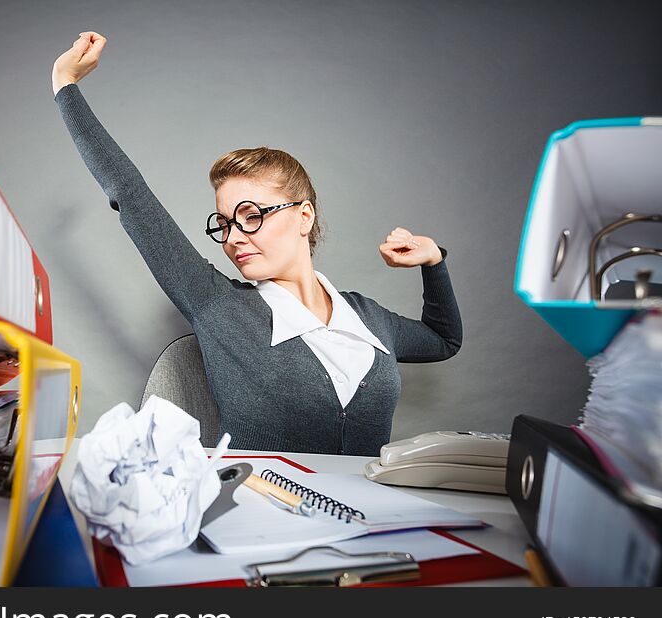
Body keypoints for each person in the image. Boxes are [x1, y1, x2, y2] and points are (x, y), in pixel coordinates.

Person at [51, 32, 462, 456]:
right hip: (258, 515)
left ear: (304, 216)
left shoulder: (369, 318)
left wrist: (434, 262)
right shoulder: (218, 306)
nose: (232, 238)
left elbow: (444, 340)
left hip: (371, 518)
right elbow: (130, 193)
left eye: (251, 216)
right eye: (225, 223)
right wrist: (66, 84)